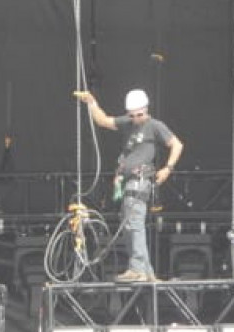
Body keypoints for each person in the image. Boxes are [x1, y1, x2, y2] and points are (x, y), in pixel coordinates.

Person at [77, 87, 183, 283]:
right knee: (127, 224)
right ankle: (146, 272)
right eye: (132, 115)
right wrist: (92, 102)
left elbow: (177, 144)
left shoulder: (155, 126)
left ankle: (138, 269)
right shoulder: (127, 123)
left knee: (134, 222)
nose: (136, 119)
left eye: (139, 114)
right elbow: (103, 120)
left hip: (140, 180)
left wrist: (167, 169)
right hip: (127, 181)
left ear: (146, 109)